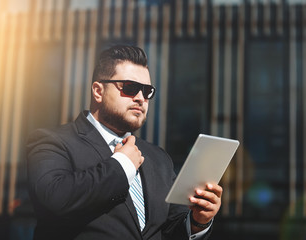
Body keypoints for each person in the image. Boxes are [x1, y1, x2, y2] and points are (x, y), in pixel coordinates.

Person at [27, 45, 223, 240]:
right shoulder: (53, 141)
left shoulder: (158, 158)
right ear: (98, 91)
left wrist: (198, 222)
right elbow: (54, 199)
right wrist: (121, 165)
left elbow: (169, 229)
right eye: (130, 88)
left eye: (147, 91)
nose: (140, 98)